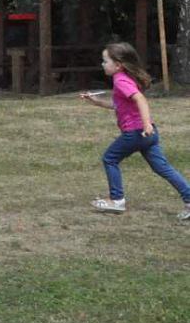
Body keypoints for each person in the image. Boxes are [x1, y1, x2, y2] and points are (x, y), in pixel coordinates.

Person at [79, 42, 190, 218]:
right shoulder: (124, 79)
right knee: (163, 167)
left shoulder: (121, 80)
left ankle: (116, 200)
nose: (102, 64)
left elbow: (141, 100)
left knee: (109, 158)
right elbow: (119, 105)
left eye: (105, 61)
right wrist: (96, 101)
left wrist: (145, 124)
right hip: (148, 134)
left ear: (118, 65)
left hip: (136, 132)